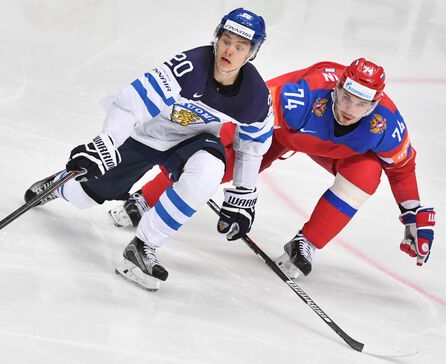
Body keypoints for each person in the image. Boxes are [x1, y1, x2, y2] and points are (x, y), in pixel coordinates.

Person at [110, 58, 437, 279]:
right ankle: (146, 198)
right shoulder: (302, 98)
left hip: (338, 152)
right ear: (336, 88)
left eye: (362, 103)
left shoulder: (386, 126)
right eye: (347, 97)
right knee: (219, 162)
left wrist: (412, 214)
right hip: (279, 133)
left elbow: (402, 168)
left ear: (376, 105)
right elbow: (242, 121)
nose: (350, 109)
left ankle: (306, 243)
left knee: (368, 173)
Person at [24, 8, 274, 290]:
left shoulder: (255, 95)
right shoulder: (190, 67)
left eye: (240, 46)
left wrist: (243, 192)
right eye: (226, 40)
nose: (229, 50)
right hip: (147, 135)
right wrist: (105, 143)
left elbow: (252, 147)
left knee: (209, 171)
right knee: (86, 197)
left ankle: (143, 246)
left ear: (252, 52)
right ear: (217, 37)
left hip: (193, 141)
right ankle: (60, 186)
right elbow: (131, 102)